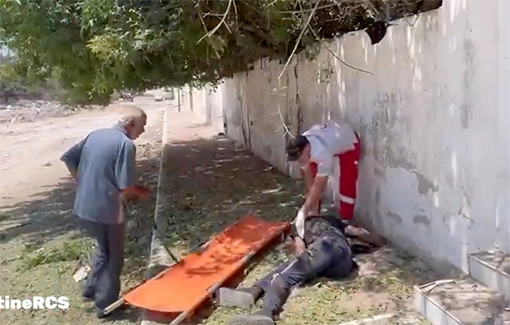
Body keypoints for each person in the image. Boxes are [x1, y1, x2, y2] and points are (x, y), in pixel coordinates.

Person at [60, 105, 150, 319]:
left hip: (84, 204)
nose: (143, 131)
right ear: (131, 124)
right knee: (114, 256)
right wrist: (142, 191)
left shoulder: (96, 135)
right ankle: (106, 305)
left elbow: (68, 158)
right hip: (107, 209)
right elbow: (126, 186)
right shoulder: (125, 144)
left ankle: (90, 289)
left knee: (103, 250)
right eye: (142, 126)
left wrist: (82, 182)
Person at [218, 215, 384, 325]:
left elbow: (300, 252)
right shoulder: (336, 223)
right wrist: (359, 234)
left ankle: (266, 312)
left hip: (328, 246)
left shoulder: (302, 225)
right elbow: (376, 239)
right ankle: (254, 290)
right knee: (288, 268)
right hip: (343, 261)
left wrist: (300, 248)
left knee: (286, 274)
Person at [285, 120, 361, 237]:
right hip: (331, 140)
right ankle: (315, 214)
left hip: (350, 143)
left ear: (306, 149)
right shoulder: (303, 142)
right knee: (313, 180)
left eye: (300, 159)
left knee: (347, 182)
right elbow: (309, 177)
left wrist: (303, 210)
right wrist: (312, 210)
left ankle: (346, 220)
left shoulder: (322, 152)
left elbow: (319, 185)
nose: (300, 162)